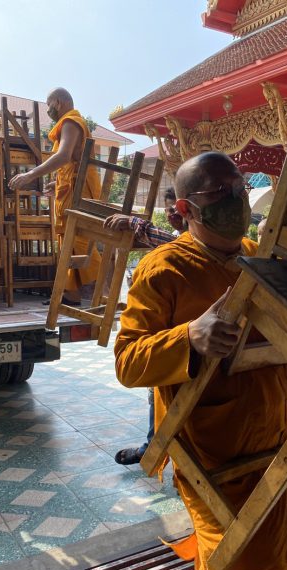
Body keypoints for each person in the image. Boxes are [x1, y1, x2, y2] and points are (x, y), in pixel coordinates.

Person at [114, 153, 287, 570]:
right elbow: (127, 362)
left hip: (279, 439)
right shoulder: (164, 269)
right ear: (185, 209)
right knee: (237, 566)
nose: (237, 201)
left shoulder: (259, 258)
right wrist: (188, 337)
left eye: (240, 189)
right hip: (213, 449)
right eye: (220, 193)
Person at [104, 187, 183, 466]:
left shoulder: (193, 243)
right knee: (157, 391)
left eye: (177, 207)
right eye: (168, 208)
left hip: (186, 337)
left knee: (160, 387)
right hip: (171, 334)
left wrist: (134, 222)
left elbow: (167, 242)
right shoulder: (179, 244)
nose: (173, 213)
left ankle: (155, 446)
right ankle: (154, 444)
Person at [9, 88, 102, 305]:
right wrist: (56, 182)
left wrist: (31, 173)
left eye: (48, 104)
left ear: (57, 103)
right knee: (67, 241)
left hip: (79, 190)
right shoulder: (69, 122)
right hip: (72, 187)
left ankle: (105, 291)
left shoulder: (70, 122)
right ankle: (71, 294)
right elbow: (72, 161)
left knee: (79, 240)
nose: (48, 109)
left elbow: (64, 156)